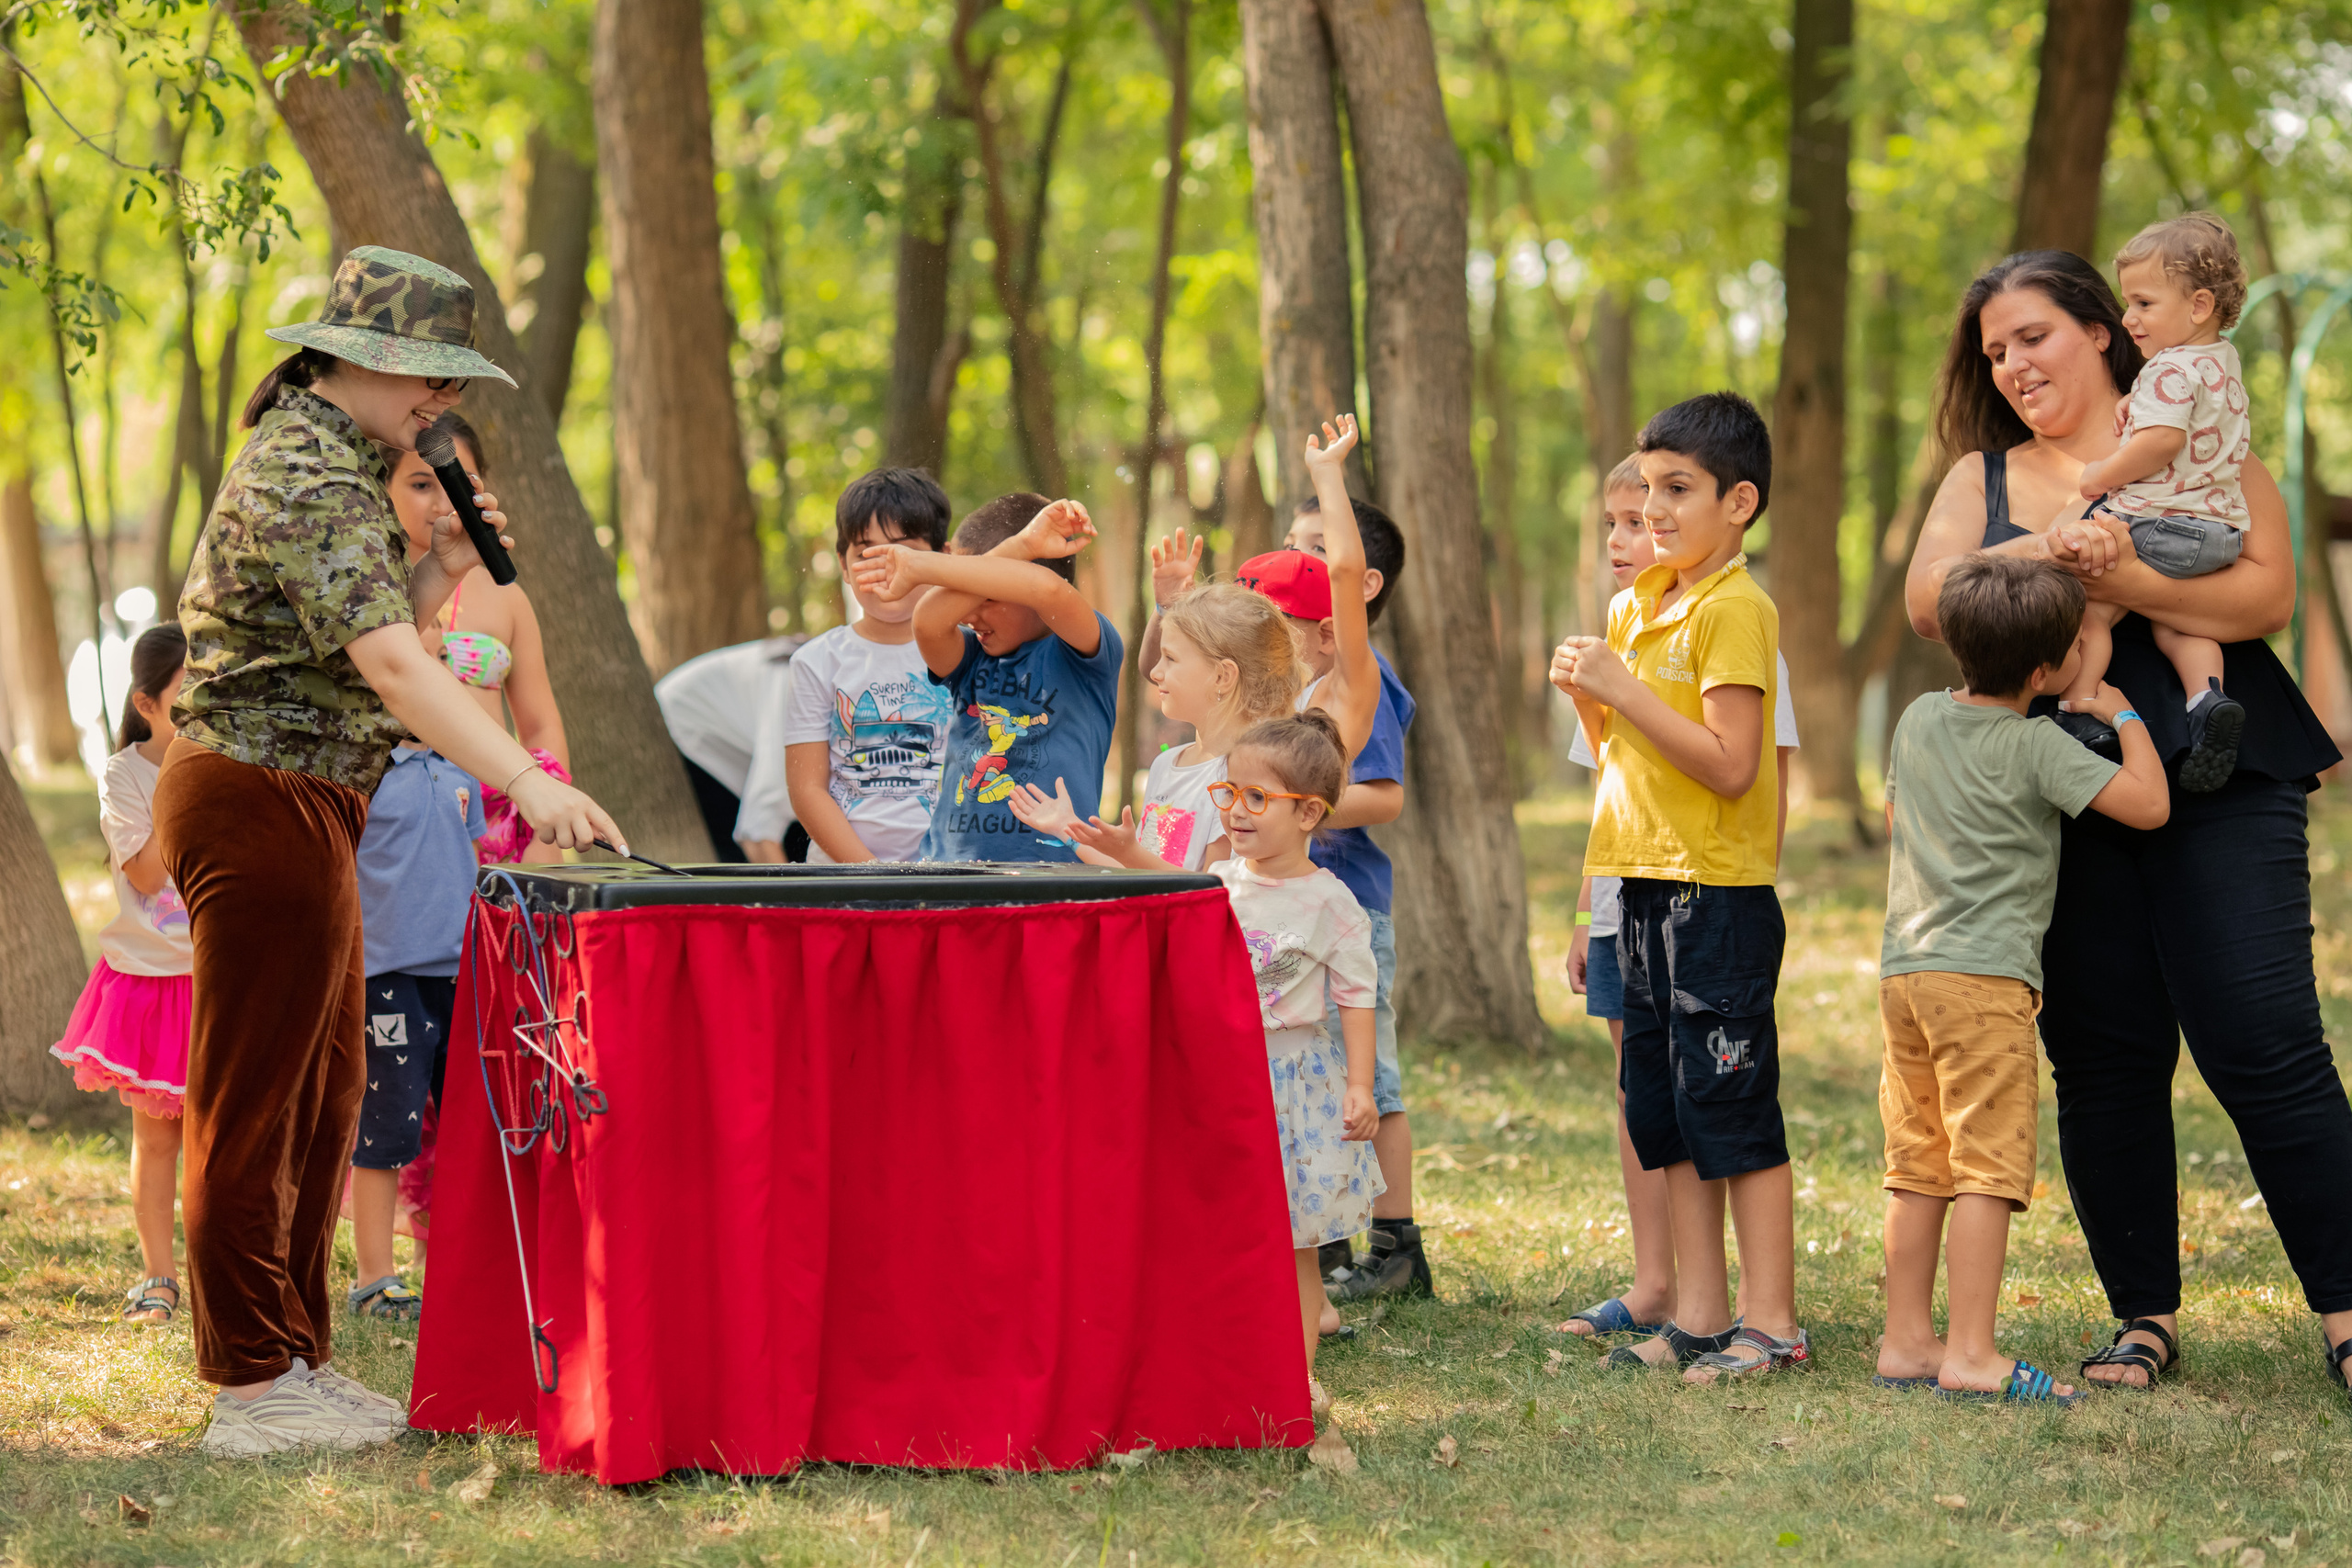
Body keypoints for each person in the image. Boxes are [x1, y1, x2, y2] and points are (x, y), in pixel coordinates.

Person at [153, 245, 623, 1457]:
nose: (445, 404)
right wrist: (522, 773)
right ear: (362, 356)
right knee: (257, 1092)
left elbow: (359, 636)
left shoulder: (353, 467)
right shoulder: (307, 464)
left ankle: (298, 1354)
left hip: (315, 795)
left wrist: (442, 566)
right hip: (257, 794)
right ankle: (251, 1383)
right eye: (433, 375)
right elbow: (394, 669)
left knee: (324, 1094)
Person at [1904, 249, 2347, 1395]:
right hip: (2056, 777)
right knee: (2103, 1057)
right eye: (1995, 351)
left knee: (2263, 1041)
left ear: (2102, 332)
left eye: (2034, 336)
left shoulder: (2206, 435)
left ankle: (2349, 1315)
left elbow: (2264, 596)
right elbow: (1928, 601)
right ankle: (2141, 1320)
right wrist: (2062, 546)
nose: (2012, 366)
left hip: (2221, 761)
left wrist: (2129, 577)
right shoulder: (1982, 476)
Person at [1549, 390, 1805, 1382]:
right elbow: (1628, 762)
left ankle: (1771, 1322)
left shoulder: (1737, 609)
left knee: (1732, 1109)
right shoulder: (1633, 604)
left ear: (1738, 503)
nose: (1652, 509)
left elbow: (1732, 765)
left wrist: (1618, 689)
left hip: (1717, 897)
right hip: (1640, 890)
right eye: (1644, 487)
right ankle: (1698, 1314)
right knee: (1668, 1115)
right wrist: (1597, 698)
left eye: (1677, 490)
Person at [1875, 556, 2168, 1404]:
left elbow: (1900, 817)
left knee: (1917, 1163)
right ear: (2045, 670)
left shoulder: (1919, 719)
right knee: (1985, 1170)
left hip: (1906, 973)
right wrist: (2122, 711)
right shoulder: (2039, 745)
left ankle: (1906, 1341)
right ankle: (1971, 1351)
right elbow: (2149, 804)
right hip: (1987, 981)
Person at [2052, 214, 2255, 791]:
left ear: (2197, 306)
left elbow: (2162, 441)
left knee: (2092, 608)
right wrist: (2134, 406)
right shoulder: (2222, 361)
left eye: (2142, 303)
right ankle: (2206, 699)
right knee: (2178, 623)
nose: (2127, 318)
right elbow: (2192, 426)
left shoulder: (2167, 366)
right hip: (2218, 537)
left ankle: (2083, 705)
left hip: (2160, 525)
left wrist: (2101, 474)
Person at [50, 623, 193, 1326]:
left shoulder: (231, 764)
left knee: (221, 1137)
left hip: (221, 976)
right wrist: (185, 772)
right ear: (147, 700)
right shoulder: (125, 775)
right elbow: (145, 870)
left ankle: (228, 1277)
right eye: (185, 694)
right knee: (158, 1137)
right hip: (149, 979)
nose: (200, 709)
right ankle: (159, 1277)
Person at [849, 493, 1119, 863]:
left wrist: (923, 566)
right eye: (961, 597)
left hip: (1052, 879)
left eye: (986, 596)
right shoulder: (971, 659)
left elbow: (1046, 588)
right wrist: (1021, 545)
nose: (969, 613)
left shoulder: (1084, 656)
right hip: (947, 875)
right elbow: (928, 621)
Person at [1003, 580, 1299, 869]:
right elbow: (1138, 875)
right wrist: (1068, 829)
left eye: (1170, 658)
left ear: (1223, 676)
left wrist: (1131, 853)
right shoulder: (1165, 764)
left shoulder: (1239, 779)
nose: (1155, 672)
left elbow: (1210, 895)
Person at [385, 412, 572, 864]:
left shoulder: (506, 597)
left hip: (501, 807)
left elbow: (540, 725)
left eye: (453, 485)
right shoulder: (372, 594)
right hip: (402, 812)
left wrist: (539, 827)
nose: (440, 503)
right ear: (383, 487)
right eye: (420, 485)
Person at [345, 734, 486, 1322]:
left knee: (470, 1126)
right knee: (387, 1127)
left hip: (464, 973)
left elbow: (469, 860)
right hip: (387, 978)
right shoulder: (360, 771)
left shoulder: (464, 765)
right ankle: (374, 1276)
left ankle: (466, 1266)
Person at [783, 468, 956, 863]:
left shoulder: (970, 650)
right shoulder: (816, 662)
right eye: (865, 553)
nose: (884, 566)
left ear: (943, 559)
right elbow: (807, 790)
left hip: (953, 876)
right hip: (846, 886)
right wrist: (870, 872)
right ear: (843, 566)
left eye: (905, 551)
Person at [656, 637, 807, 863]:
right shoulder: (800, 690)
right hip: (680, 730)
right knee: (744, 856)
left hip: (732, 737)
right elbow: (757, 834)